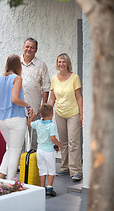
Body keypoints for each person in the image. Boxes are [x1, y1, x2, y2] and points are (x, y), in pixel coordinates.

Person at [0, 54, 32, 180]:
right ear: (18, 65)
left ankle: (1, 176)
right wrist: (27, 104)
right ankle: (10, 183)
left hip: (2, 120)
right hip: (17, 119)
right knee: (15, 151)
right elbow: (15, 99)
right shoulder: (17, 78)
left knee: (10, 149)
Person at [48, 53, 83, 181]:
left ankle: (76, 171)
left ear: (67, 63)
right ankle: (65, 168)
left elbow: (79, 97)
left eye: (63, 62)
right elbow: (52, 98)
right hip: (59, 113)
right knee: (63, 142)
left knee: (73, 142)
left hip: (73, 113)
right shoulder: (54, 78)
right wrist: (48, 114)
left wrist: (82, 115)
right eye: (59, 62)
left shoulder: (74, 77)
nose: (61, 64)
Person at [21, 37, 51, 150]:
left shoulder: (41, 65)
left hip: (34, 109)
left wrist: (43, 106)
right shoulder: (16, 63)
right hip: (18, 109)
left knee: (35, 140)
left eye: (32, 47)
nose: (29, 49)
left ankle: (34, 165)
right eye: (27, 46)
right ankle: (20, 165)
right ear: (23, 47)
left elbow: (46, 86)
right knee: (19, 140)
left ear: (36, 50)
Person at [27, 104, 61, 196]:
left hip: (40, 151)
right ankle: (49, 187)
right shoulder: (51, 125)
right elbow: (52, 138)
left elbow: (29, 124)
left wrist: (33, 116)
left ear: (40, 115)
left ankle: (42, 188)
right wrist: (59, 144)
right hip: (49, 151)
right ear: (52, 114)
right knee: (51, 170)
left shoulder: (38, 122)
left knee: (42, 170)